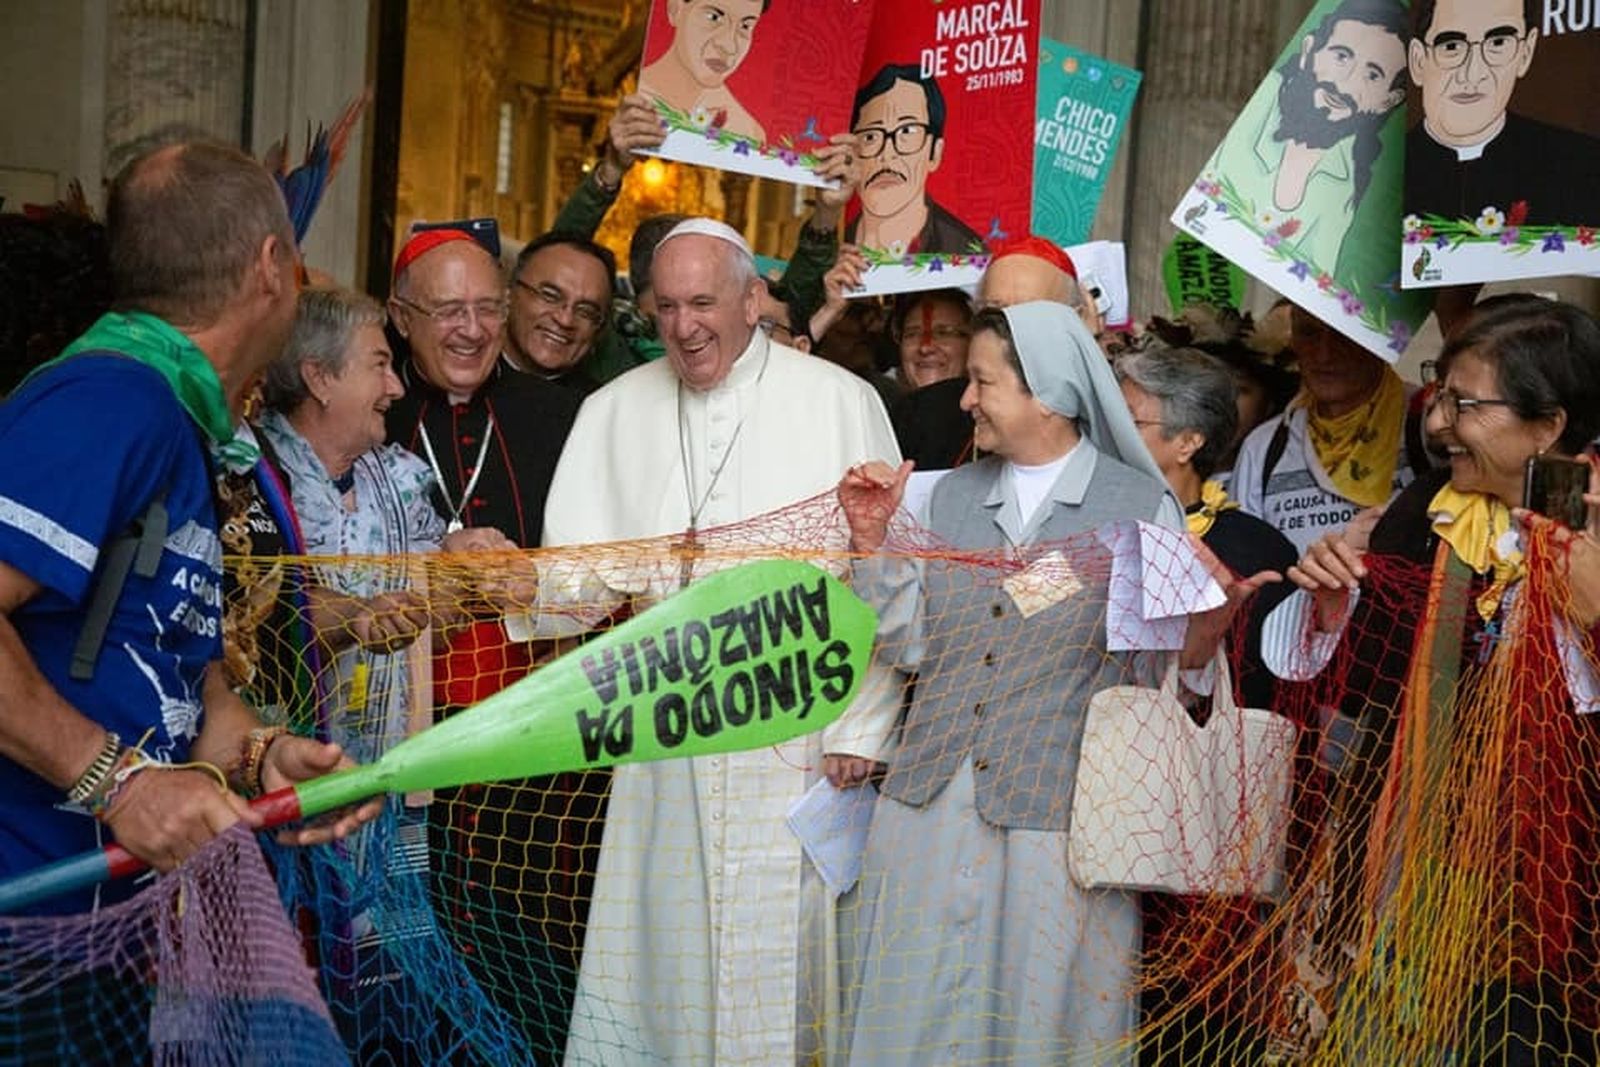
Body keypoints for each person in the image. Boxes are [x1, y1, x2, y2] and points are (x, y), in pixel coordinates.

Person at [836, 302, 1261, 1066]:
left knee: (1036, 1027)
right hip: (928, 806)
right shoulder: (951, 496)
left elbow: (1156, 675)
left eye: (982, 381)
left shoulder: (1140, 506)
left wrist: (1205, 633)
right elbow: (913, 642)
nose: (966, 400)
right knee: (913, 1018)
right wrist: (873, 547)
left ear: (1052, 395)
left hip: (1057, 824)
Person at [533, 218, 903, 1065]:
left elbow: (886, 575)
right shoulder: (612, 410)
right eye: (664, 306)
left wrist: (863, 727)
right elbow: (571, 590)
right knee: (657, 964)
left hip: (798, 740)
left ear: (752, 299)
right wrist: (519, 581)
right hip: (663, 739)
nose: (684, 325)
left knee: (786, 968)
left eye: (703, 301)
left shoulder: (840, 401)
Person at [0, 142, 377, 916]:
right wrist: (118, 783)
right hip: (29, 936)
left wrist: (260, 754)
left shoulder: (172, 416)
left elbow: (180, 677)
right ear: (272, 265)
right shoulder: (110, 400)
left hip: (110, 929)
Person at [1259, 298, 1600, 1064]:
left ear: (1547, 426)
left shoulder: (1593, 523)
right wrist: (1329, 606)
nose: (1438, 422)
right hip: (1420, 862)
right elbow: (1357, 679)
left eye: (1464, 402)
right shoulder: (1428, 512)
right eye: (1439, 393)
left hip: (1559, 886)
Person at [381, 227, 586, 1060]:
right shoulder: (369, 400)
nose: (471, 330)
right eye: (447, 310)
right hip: (393, 722)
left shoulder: (560, 415)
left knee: (521, 945)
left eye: (488, 308)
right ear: (400, 317)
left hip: (527, 743)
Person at [1204, 0, 1409, 273]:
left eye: (1372, 75)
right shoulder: (1263, 106)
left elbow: (1318, 273)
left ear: (1388, 101)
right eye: (1341, 56)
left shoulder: (1349, 180)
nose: (1345, 82)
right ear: (1309, 51)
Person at [891, 235, 1094, 470]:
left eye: (1028, 311)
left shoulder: (1101, 409)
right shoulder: (926, 410)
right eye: (995, 312)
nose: (1008, 328)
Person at [1231, 306, 1419, 553]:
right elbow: (1248, 569)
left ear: (1378, 341)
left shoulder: (1426, 425)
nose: (1324, 354)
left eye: (1344, 334)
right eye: (1308, 333)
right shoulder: (1264, 447)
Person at [1405, 0, 1600, 227]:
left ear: (1525, 53)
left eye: (1498, 43)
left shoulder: (1584, 166)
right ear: (1418, 61)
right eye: (1452, 46)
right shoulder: (1373, 180)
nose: (1473, 74)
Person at [846, 63, 983, 255]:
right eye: (870, 136)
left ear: (935, 152)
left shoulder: (967, 252)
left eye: (907, 131)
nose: (887, 153)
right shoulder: (830, 245)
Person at [503, 231, 617, 397]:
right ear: (509, 292)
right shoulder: (459, 375)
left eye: (585, 311)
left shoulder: (601, 411)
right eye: (550, 296)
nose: (565, 320)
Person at [639, 0, 770, 142]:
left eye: (745, 26)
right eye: (714, 17)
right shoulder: (630, 99)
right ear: (675, 9)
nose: (729, 47)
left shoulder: (747, 133)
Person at [890, 287, 973, 390]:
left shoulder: (995, 403)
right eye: (912, 334)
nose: (925, 348)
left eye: (943, 333)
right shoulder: (877, 401)